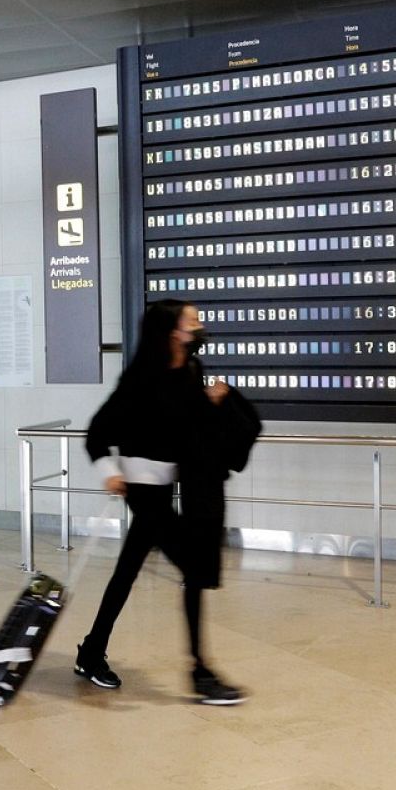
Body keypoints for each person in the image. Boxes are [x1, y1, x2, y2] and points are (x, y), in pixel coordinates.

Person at [75, 299, 260, 704]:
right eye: (192, 320)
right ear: (172, 331)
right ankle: (200, 672)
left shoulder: (191, 371)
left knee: (127, 572)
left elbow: (189, 427)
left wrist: (212, 403)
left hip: (169, 486)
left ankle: (91, 652)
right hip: (142, 490)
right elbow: (97, 431)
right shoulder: (142, 377)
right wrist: (111, 471)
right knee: (194, 569)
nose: (200, 325)